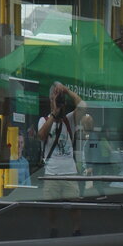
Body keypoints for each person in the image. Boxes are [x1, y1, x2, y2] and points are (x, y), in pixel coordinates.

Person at [38, 81, 86, 234]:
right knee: (50, 206)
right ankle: (53, 228)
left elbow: (83, 106)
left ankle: (77, 229)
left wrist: (67, 90)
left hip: (69, 172)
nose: (60, 105)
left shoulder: (69, 120)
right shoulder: (44, 120)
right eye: (57, 100)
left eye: (61, 102)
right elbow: (41, 135)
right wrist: (54, 112)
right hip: (51, 172)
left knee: (74, 204)